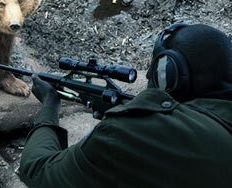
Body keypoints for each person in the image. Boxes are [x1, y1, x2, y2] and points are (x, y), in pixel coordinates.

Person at [19, 23, 232, 188]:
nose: (149, 75)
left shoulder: (128, 131)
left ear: (173, 75)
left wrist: (49, 105)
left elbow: (37, 170)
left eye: (156, 71)